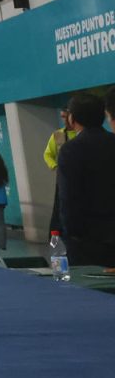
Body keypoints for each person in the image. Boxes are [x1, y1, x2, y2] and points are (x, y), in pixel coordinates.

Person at [55, 92, 115, 266]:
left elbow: (68, 197)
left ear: (72, 118)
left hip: (87, 240)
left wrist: (71, 233)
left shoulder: (71, 150)